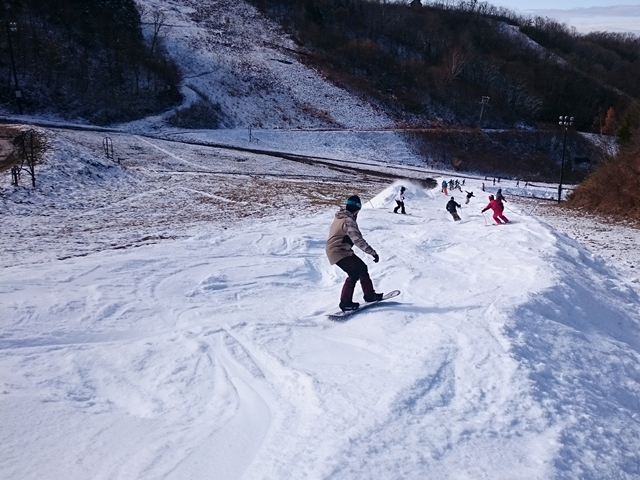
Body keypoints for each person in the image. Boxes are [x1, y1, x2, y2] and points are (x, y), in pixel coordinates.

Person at [326, 195, 383, 311]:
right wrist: (373, 253)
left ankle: (370, 295)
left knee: (362, 267)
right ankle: (345, 303)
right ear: (357, 209)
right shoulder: (349, 220)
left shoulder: (341, 217)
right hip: (337, 251)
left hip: (342, 250)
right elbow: (357, 240)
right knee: (353, 273)